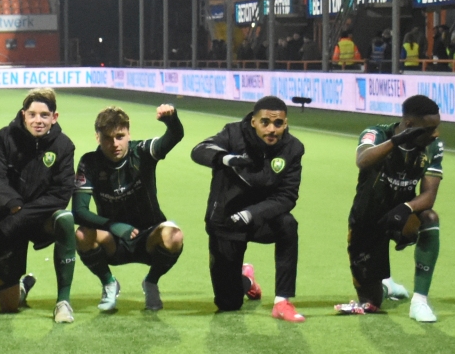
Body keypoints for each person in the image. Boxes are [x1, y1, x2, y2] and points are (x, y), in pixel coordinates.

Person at [191, 95, 306, 320]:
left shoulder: (293, 149)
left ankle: (282, 301)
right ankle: (246, 280)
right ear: (254, 121)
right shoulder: (233, 133)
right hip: (226, 221)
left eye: (278, 123)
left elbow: (287, 196)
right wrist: (226, 159)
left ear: (286, 123)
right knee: (229, 304)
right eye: (265, 122)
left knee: (288, 224)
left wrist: (250, 214)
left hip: (260, 219)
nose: (272, 129)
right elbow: (199, 150)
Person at [338, 95, 443, 322]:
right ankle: (386, 287)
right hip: (367, 221)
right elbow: (363, 160)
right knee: (371, 302)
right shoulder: (376, 134)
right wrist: (396, 142)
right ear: (409, 126)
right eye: (430, 129)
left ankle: (420, 302)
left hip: (402, 217)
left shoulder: (433, 146)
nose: (436, 134)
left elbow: (429, 195)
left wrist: (406, 207)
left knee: (429, 218)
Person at [74, 103, 185, 313]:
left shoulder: (142, 151)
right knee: (81, 235)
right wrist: (113, 225)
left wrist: (171, 119)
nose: (114, 143)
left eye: (119, 136)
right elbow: (79, 212)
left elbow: (175, 135)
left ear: (128, 134)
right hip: (114, 239)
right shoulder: (89, 162)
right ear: (97, 137)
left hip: (148, 237)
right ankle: (109, 283)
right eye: (107, 138)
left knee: (175, 236)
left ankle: (151, 283)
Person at [0, 87, 78, 322]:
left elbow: (61, 193)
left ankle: (63, 301)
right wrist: (13, 205)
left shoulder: (64, 146)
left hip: (36, 219)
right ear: (23, 114)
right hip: (5, 220)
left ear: (55, 117)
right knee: (8, 307)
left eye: (44, 115)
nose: (38, 120)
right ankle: (20, 287)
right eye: (32, 114)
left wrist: (22, 215)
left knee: (64, 219)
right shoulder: (5, 137)